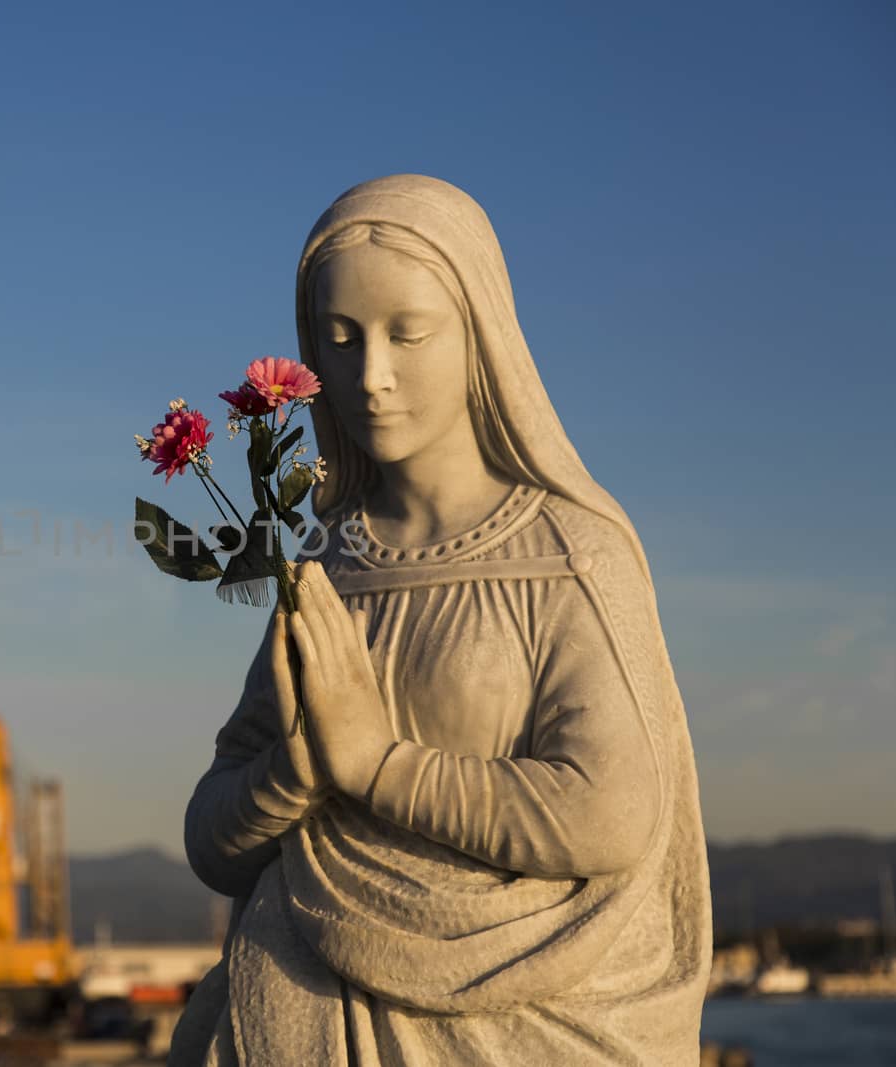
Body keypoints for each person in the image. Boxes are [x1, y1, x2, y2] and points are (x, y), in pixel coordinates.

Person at [170, 175, 712, 1066]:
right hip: (306, 1007)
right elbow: (213, 838)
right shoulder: (328, 566)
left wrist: (377, 766)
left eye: (406, 334)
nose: (370, 375)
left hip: (528, 1024)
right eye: (339, 341)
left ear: (479, 334)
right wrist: (295, 770)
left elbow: (611, 812)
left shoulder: (569, 554)